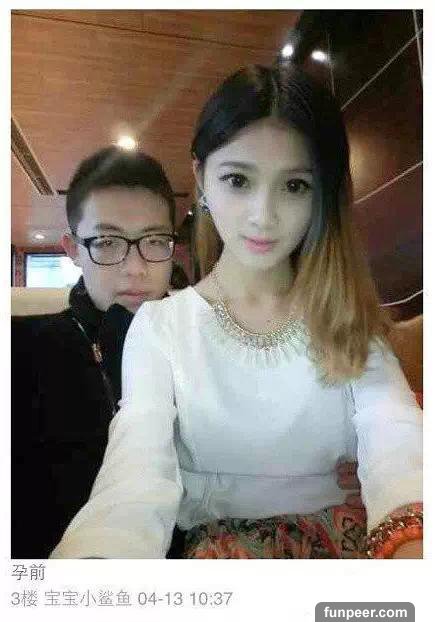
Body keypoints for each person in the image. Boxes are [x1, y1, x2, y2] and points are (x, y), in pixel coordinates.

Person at [50, 64, 422, 560]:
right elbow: (135, 470)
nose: (263, 216)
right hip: (223, 563)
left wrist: (410, 540)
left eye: (295, 186)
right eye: (238, 180)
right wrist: (99, 562)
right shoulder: (162, 327)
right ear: (201, 178)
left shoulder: (344, 314)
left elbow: (396, 435)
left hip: (357, 550)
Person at [11, 146, 178, 558]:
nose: (135, 267)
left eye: (154, 240)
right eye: (106, 242)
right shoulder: (21, 351)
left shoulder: (201, 342)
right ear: (72, 249)